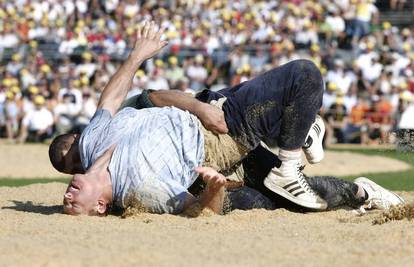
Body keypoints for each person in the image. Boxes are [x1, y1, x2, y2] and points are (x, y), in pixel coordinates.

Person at [51, 21, 335, 216]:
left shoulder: (90, 143)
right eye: (73, 206)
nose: (67, 198)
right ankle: (293, 159)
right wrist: (213, 188)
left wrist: (137, 56)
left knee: (278, 182)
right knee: (304, 74)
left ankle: (300, 131)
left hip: (205, 108)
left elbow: (110, 101)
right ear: (100, 206)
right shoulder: (140, 190)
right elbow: (197, 209)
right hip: (217, 137)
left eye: (66, 201)